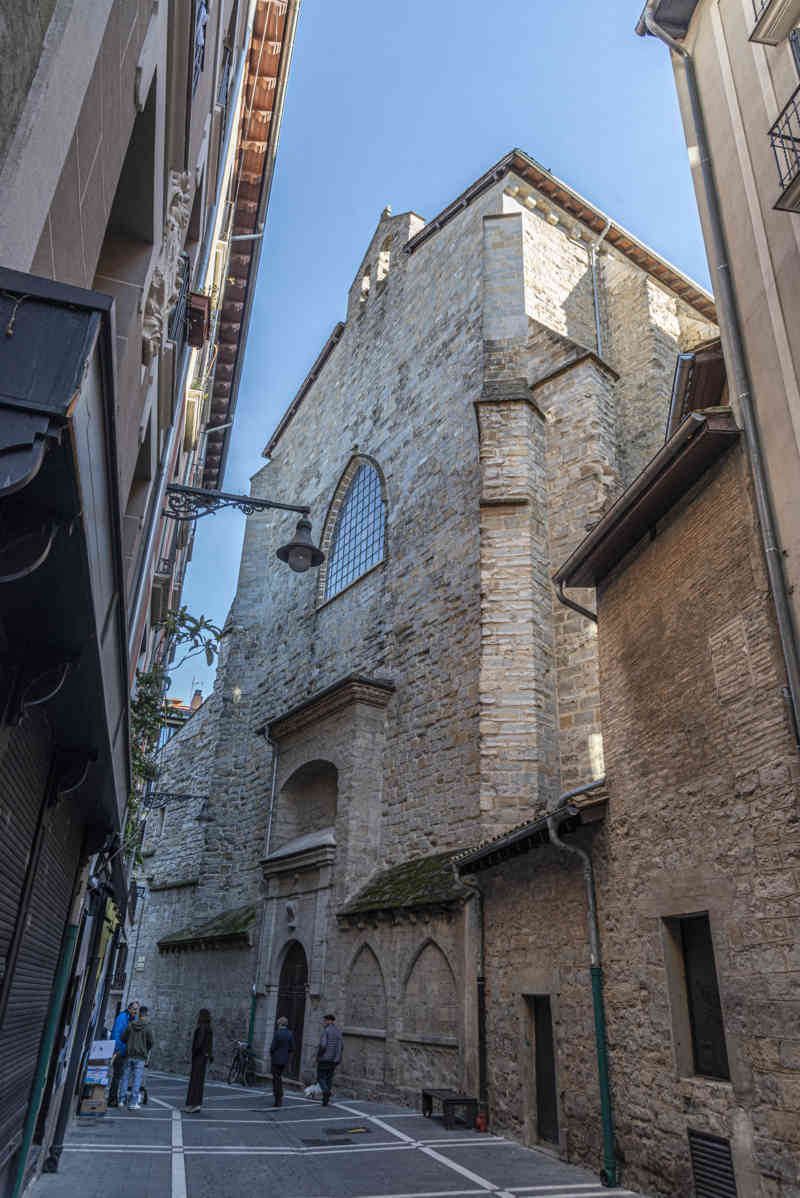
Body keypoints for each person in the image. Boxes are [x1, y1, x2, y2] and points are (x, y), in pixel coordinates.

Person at [120, 1004, 154, 1111]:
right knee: (137, 1079)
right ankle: (133, 1102)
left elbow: (123, 1038)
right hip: (140, 1056)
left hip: (129, 1054)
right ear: (147, 1014)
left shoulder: (131, 1025)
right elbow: (151, 1042)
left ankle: (121, 1100)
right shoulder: (148, 1027)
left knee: (125, 1078)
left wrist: (130, 1043)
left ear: (139, 1014)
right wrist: (145, 1049)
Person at [108, 1001, 138, 1107]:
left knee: (122, 1076)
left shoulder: (133, 1019)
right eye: (134, 1009)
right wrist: (119, 1049)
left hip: (127, 1052)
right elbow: (116, 1034)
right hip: (120, 1051)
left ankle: (120, 1098)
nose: (135, 1011)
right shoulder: (122, 1018)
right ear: (129, 1009)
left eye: (136, 1009)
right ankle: (112, 1099)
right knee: (117, 1076)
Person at [185, 1009, 213, 1113]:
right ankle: (197, 1104)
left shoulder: (202, 1028)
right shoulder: (209, 1028)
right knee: (199, 1081)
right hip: (204, 1057)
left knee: (194, 1081)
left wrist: (195, 1052)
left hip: (199, 1057)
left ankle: (192, 1104)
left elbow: (199, 1043)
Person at [316, 1014, 342, 1107]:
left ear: (328, 1021)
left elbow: (323, 1045)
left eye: (324, 1021)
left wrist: (318, 1055)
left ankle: (326, 1092)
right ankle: (325, 1100)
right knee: (328, 1079)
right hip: (334, 1060)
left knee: (320, 1077)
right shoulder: (338, 1031)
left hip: (324, 1059)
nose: (324, 1023)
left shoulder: (326, 1031)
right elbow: (340, 1046)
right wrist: (337, 1058)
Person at [269, 1016, 294, 1108]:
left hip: (276, 1059)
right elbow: (292, 1048)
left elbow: (272, 1047)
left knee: (276, 1079)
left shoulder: (277, 1033)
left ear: (279, 1024)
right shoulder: (290, 1034)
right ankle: (280, 1096)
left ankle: (278, 1098)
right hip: (284, 1060)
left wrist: (272, 1055)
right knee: (279, 1078)